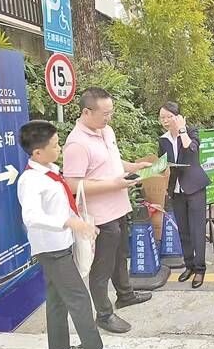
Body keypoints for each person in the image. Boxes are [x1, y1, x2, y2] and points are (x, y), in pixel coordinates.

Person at [18, 120, 121, 349]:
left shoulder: (51, 171)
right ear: (37, 152)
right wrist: (69, 222)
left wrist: (81, 224)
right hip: (51, 249)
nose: (60, 148)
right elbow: (31, 216)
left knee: (57, 299)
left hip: (62, 243)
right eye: (55, 145)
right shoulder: (31, 180)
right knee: (79, 299)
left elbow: (62, 205)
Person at [63, 87, 152, 334]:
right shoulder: (76, 144)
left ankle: (125, 294)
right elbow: (73, 184)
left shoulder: (106, 131)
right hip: (100, 215)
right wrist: (114, 184)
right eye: (105, 114)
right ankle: (103, 314)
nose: (109, 118)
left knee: (121, 255)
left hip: (119, 207)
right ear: (86, 112)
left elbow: (112, 161)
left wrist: (134, 166)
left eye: (111, 112)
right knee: (102, 266)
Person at [158, 102, 211, 289]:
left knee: (197, 230)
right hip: (176, 190)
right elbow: (162, 163)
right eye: (162, 117)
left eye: (169, 116)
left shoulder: (191, 132)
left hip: (195, 188)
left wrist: (182, 130)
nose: (165, 120)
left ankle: (200, 269)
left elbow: (192, 150)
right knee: (183, 231)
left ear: (178, 117)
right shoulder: (163, 140)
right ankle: (189, 266)